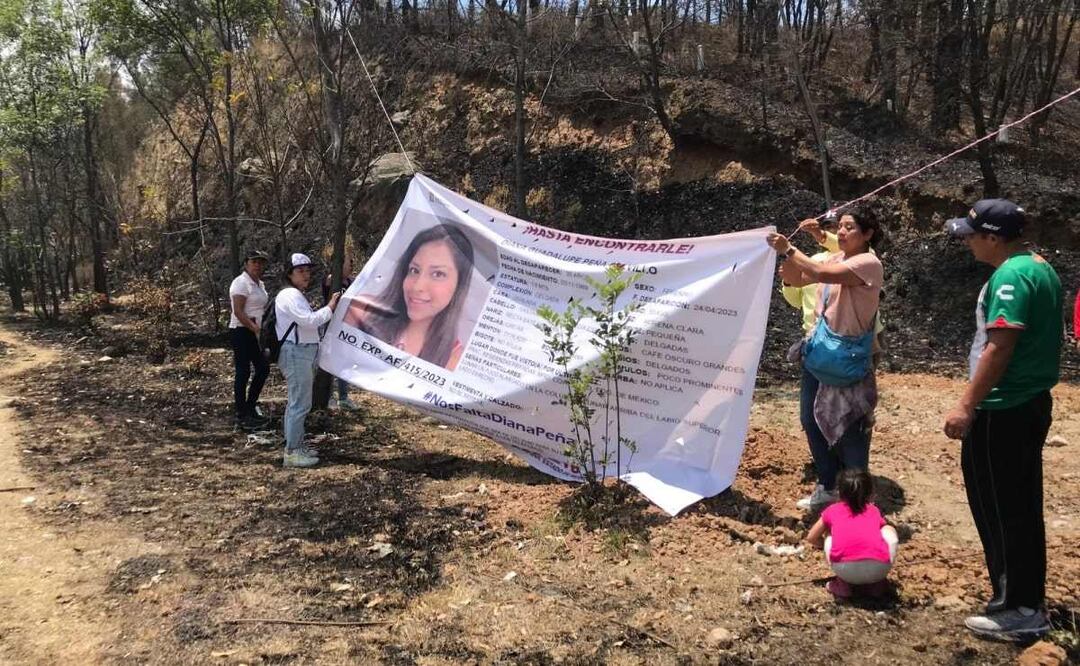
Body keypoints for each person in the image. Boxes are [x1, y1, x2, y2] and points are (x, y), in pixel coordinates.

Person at [942, 199, 1062, 641]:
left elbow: (1000, 346)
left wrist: (966, 405)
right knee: (1020, 504)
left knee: (1002, 507)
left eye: (972, 235)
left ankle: (1019, 608)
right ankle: (1022, 597)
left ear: (993, 237)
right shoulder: (1037, 266)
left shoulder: (1011, 277)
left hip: (1003, 407)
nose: (968, 243)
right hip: (1027, 401)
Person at [767, 213, 884, 511]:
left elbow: (818, 272)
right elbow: (799, 278)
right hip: (819, 355)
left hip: (848, 359)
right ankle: (829, 485)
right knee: (811, 420)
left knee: (851, 426)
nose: (842, 232)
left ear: (868, 234)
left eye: (850, 227)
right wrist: (778, 262)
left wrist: (789, 250)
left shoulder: (868, 264)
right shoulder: (834, 259)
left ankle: (858, 504)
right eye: (840, 227)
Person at [343, 224, 473, 370]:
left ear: (459, 284)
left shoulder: (454, 357)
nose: (418, 286)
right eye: (414, 270)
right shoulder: (361, 311)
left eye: (438, 274)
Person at [277, 253, 341, 468]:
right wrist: (330, 307)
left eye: (307, 271)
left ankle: (295, 444)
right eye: (300, 271)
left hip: (301, 352)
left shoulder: (295, 295)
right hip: (296, 352)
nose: (306, 275)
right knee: (300, 403)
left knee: (298, 402)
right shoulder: (290, 295)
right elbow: (308, 321)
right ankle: (292, 452)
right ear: (289, 274)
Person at [806, 469, 898, 599]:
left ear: (838, 492)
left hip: (844, 570)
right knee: (887, 529)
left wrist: (825, 545)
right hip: (879, 569)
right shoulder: (873, 510)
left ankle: (842, 585)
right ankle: (877, 585)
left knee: (830, 534)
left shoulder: (832, 510)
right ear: (871, 494)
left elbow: (811, 537)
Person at [229, 250, 271, 430]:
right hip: (241, 331)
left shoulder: (260, 284)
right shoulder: (241, 283)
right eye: (254, 262)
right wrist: (253, 328)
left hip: (256, 332)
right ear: (246, 263)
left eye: (261, 262)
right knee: (243, 371)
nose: (258, 265)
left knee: (262, 368)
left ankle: (250, 404)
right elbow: (238, 311)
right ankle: (241, 413)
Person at [322, 254, 358, 410]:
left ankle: (343, 397)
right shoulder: (331, 280)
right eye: (348, 262)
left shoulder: (352, 281)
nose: (351, 265)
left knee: (345, 362)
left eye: (352, 262)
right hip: (331, 326)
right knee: (329, 362)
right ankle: (328, 397)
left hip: (347, 327)